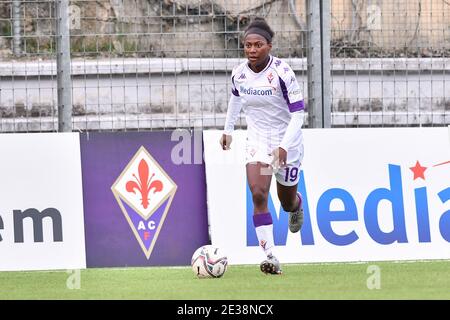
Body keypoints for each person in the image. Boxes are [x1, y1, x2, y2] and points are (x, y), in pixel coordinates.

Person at [220, 17, 305, 275]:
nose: (252, 50)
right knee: (258, 193)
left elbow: (299, 114)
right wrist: (228, 129)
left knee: (286, 201)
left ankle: (296, 206)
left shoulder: (282, 72)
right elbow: (236, 100)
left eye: (258, 45)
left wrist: (284, 147)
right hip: (257, 142)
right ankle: (270, 255)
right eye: (247, 46)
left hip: (286, 143)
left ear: (269, 46)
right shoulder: (239, 74)